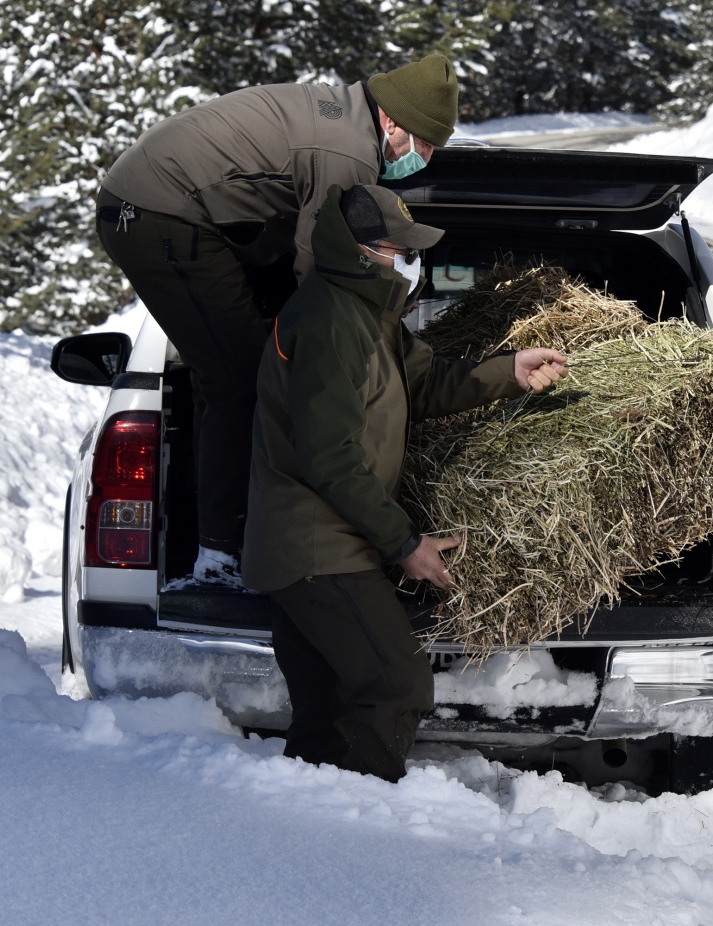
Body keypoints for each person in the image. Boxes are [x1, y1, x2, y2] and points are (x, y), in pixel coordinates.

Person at [241, 183, 568, 783]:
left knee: (327, 711)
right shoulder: (330, 319)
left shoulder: (369, 314)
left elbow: (424, 383)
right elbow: (329, 456)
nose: (412, 262)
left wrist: (507, 371)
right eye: (400, 249)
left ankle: (309, 837)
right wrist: (403, 543)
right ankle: (366, 827)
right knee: (398, 686)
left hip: (321, 544)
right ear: (363, 251)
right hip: (315, 546)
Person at [97, 55, 460, 587]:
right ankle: (218, 557)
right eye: (424, 143)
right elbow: (327, 272)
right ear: (392, 121)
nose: (424, 158)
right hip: (154, 212)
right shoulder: (348, 154)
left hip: (183, 204)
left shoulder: (349, 119)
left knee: (251, 351)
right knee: (238, 379)